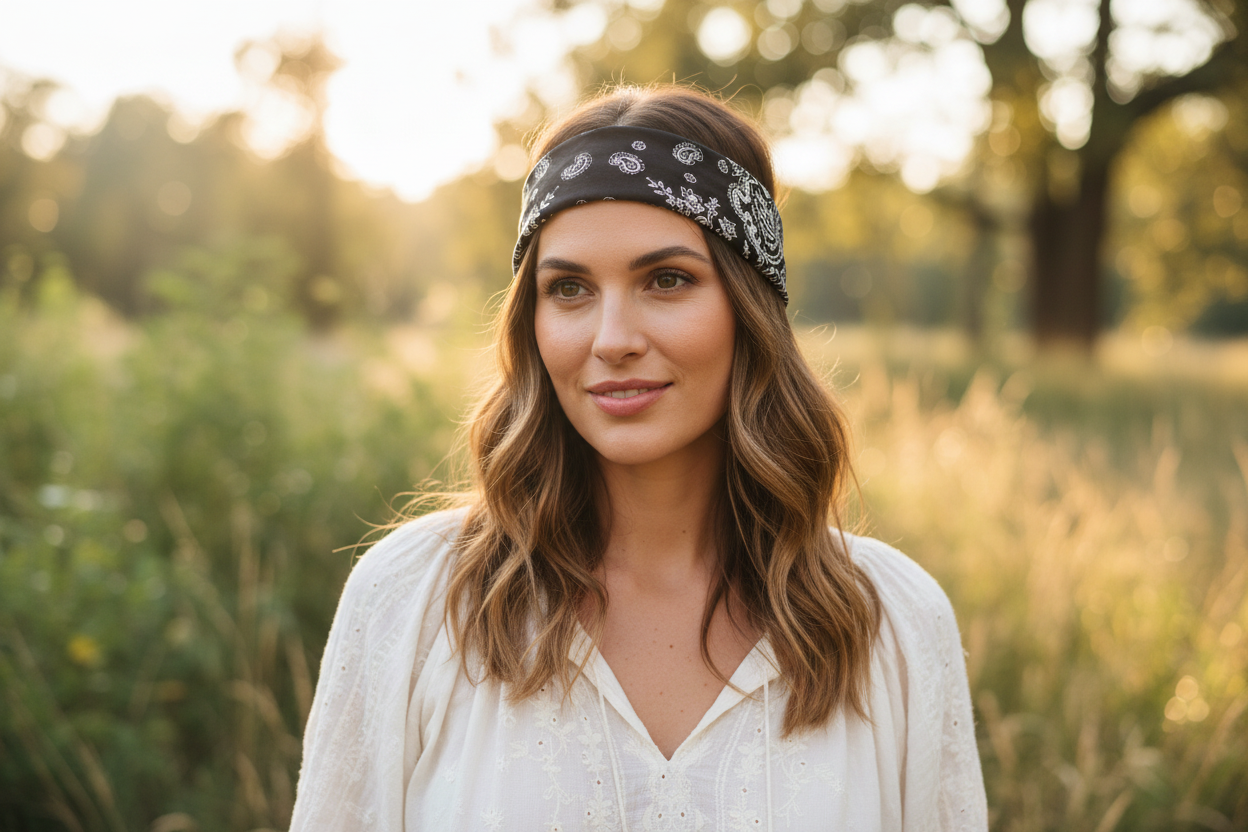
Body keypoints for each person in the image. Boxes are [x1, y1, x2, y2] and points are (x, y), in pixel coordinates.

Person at [289, 85, 987, 831]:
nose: (610, 337)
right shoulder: (415, 603)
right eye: (569, 289)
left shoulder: (891, 625)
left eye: (666, 280)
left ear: (749, 309)